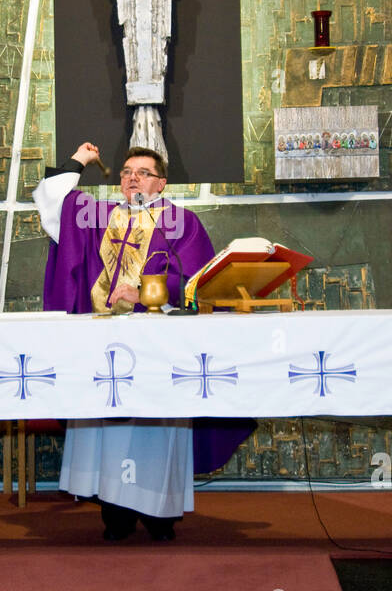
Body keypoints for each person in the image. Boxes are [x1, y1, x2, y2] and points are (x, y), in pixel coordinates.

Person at [33, 142, 253, 540]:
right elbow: (53, 200)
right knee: (109, 429)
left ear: (162, 184)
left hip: (158, 347)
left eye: (143, 172)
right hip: (102, 346)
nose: (132, 177)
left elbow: (196, 283)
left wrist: (149, 293)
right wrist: (80, 160)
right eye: (127, 172)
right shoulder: (95, 219)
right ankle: (114, 513)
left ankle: (159, 514)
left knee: (154, 430)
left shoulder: (181, 223)